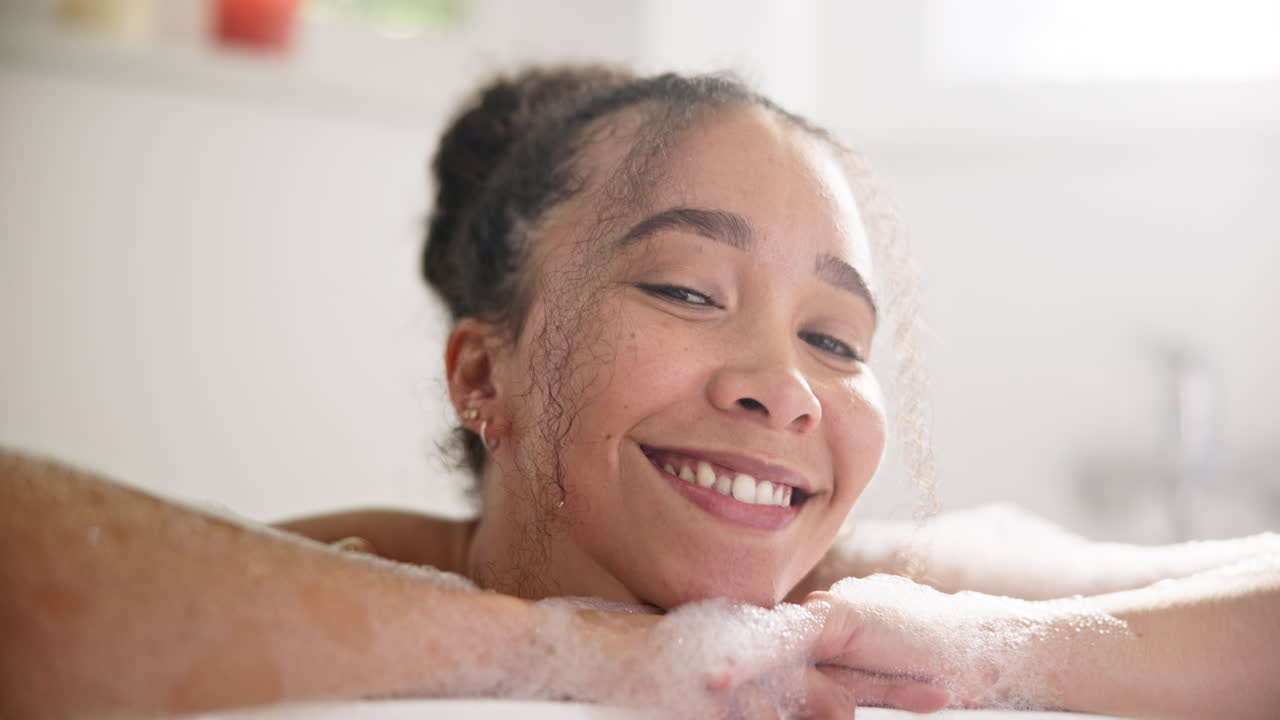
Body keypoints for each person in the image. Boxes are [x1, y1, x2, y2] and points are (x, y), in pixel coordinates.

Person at [2, 65, 1277, 720]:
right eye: (683, 291)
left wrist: (1006, 650)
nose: (783, 385)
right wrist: (566, 653)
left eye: (836, 339)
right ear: (482, 373)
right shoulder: (384, 576)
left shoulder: (874, 598)